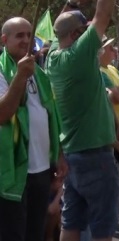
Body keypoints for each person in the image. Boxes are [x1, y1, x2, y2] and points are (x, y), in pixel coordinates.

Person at [46, 0, 119, 241]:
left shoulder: (54, 56)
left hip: (73, 155)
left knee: (72, 223)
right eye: (83, 28)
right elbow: (102, 14)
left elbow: (60, 27)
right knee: (103, 225)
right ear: (78, 35)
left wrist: (70, 3)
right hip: (95, 155)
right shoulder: (79, 56)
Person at [0, 17, 65, 241]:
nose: (26, 40)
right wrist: (19, 75)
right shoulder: (2, 71)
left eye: (29, 35)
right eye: (20, 36)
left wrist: (60, 155)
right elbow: (3, 113)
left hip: (41, 171)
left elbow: (51, 117)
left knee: (35, 233)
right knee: (13, 234)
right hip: (13, 173)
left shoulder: (40, 74)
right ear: (4, 40)